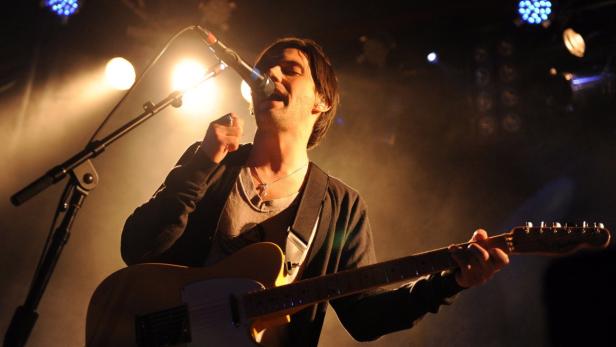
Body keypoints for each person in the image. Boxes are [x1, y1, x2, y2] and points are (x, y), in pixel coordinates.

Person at [121, 37, 509, 346]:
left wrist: (450, 281)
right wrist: (203, 162)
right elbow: (138, 247)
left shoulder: (339, 205)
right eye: (264, 67)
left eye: (290, 69)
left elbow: (364, 317)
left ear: (322, 101)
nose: (270, 73)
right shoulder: (212, 160)